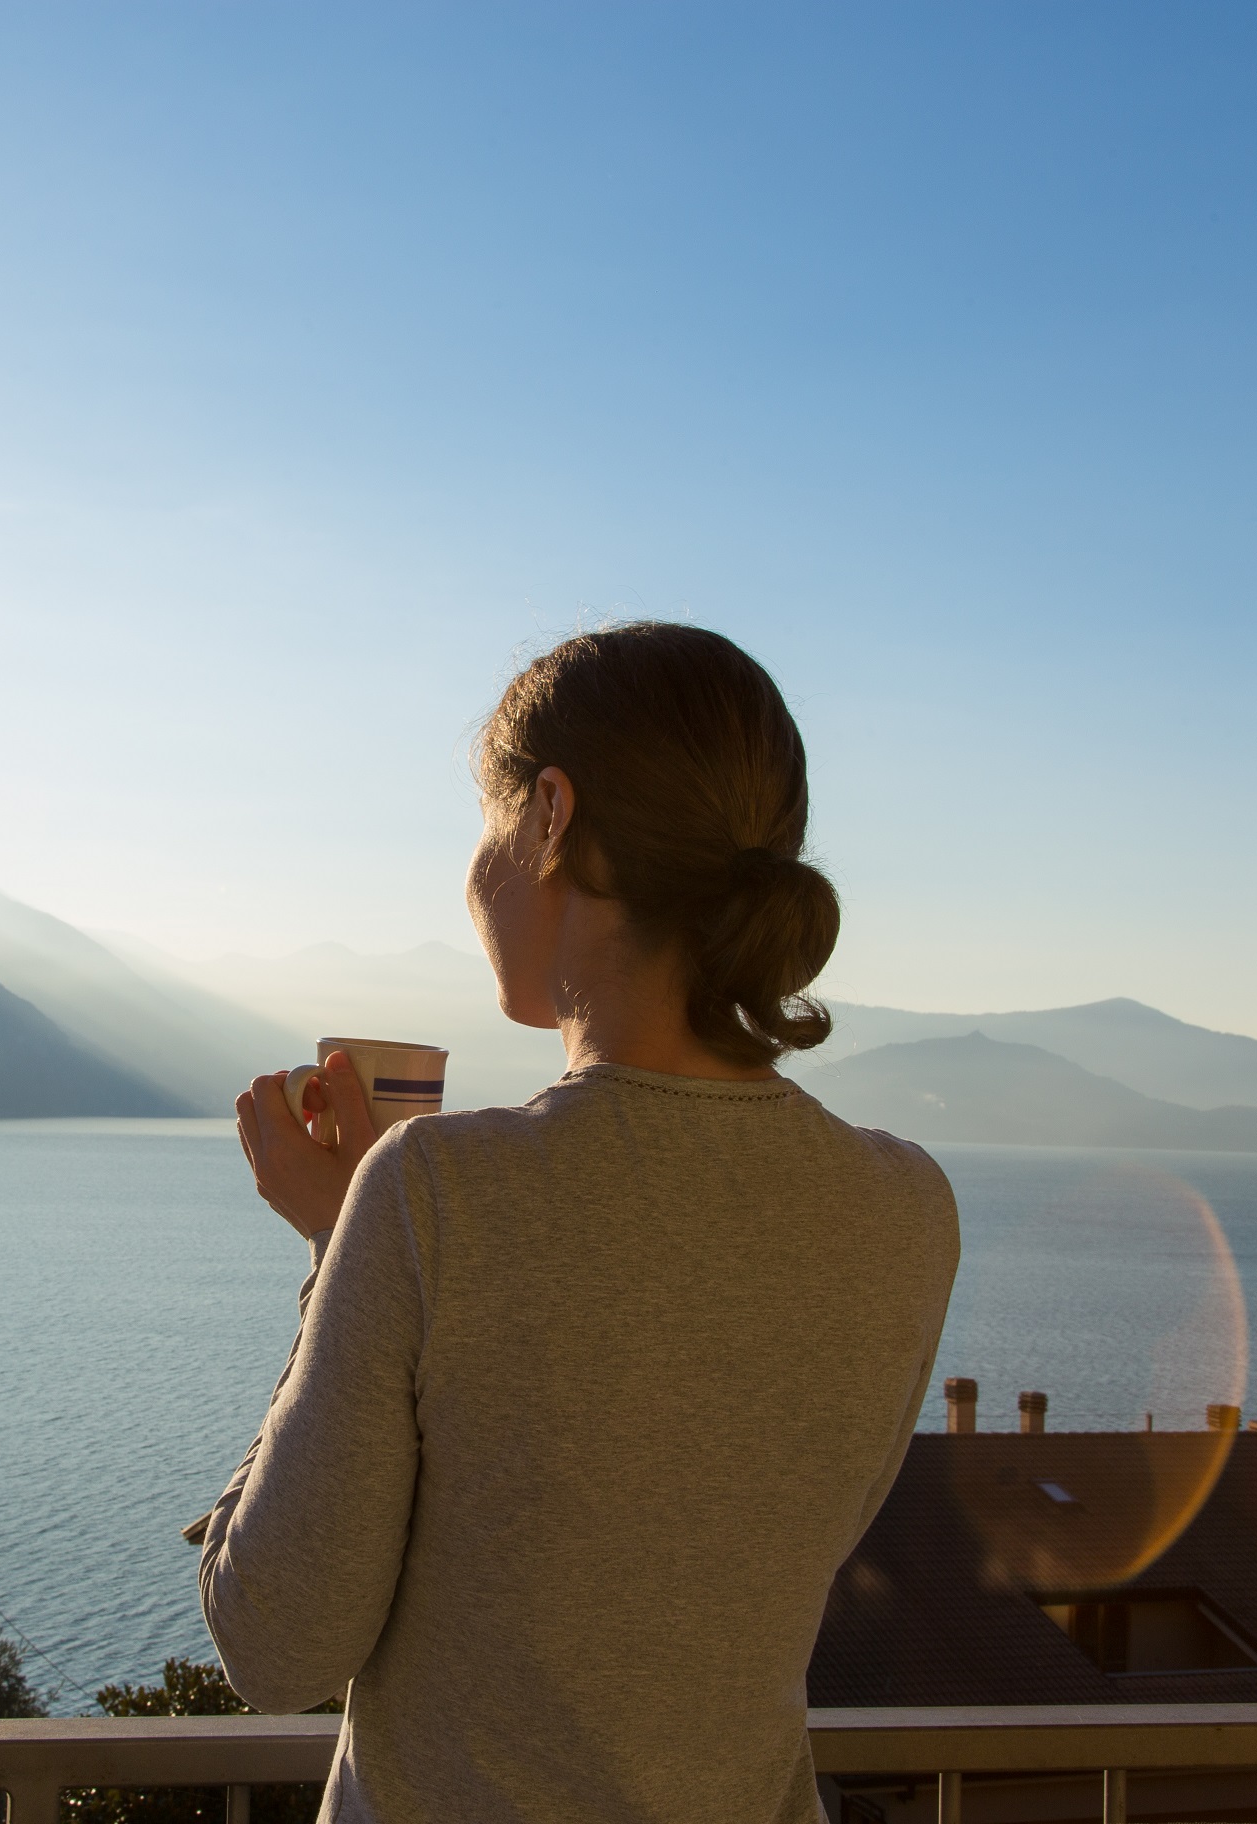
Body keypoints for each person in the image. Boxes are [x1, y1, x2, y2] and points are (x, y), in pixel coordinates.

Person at [200, 622, 959, 1823]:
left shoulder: (436, 1193)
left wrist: (333, 1251)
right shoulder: (907, 1209)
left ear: (552, 817)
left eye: (489, 823)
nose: (475, 872)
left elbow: (276, 1644)